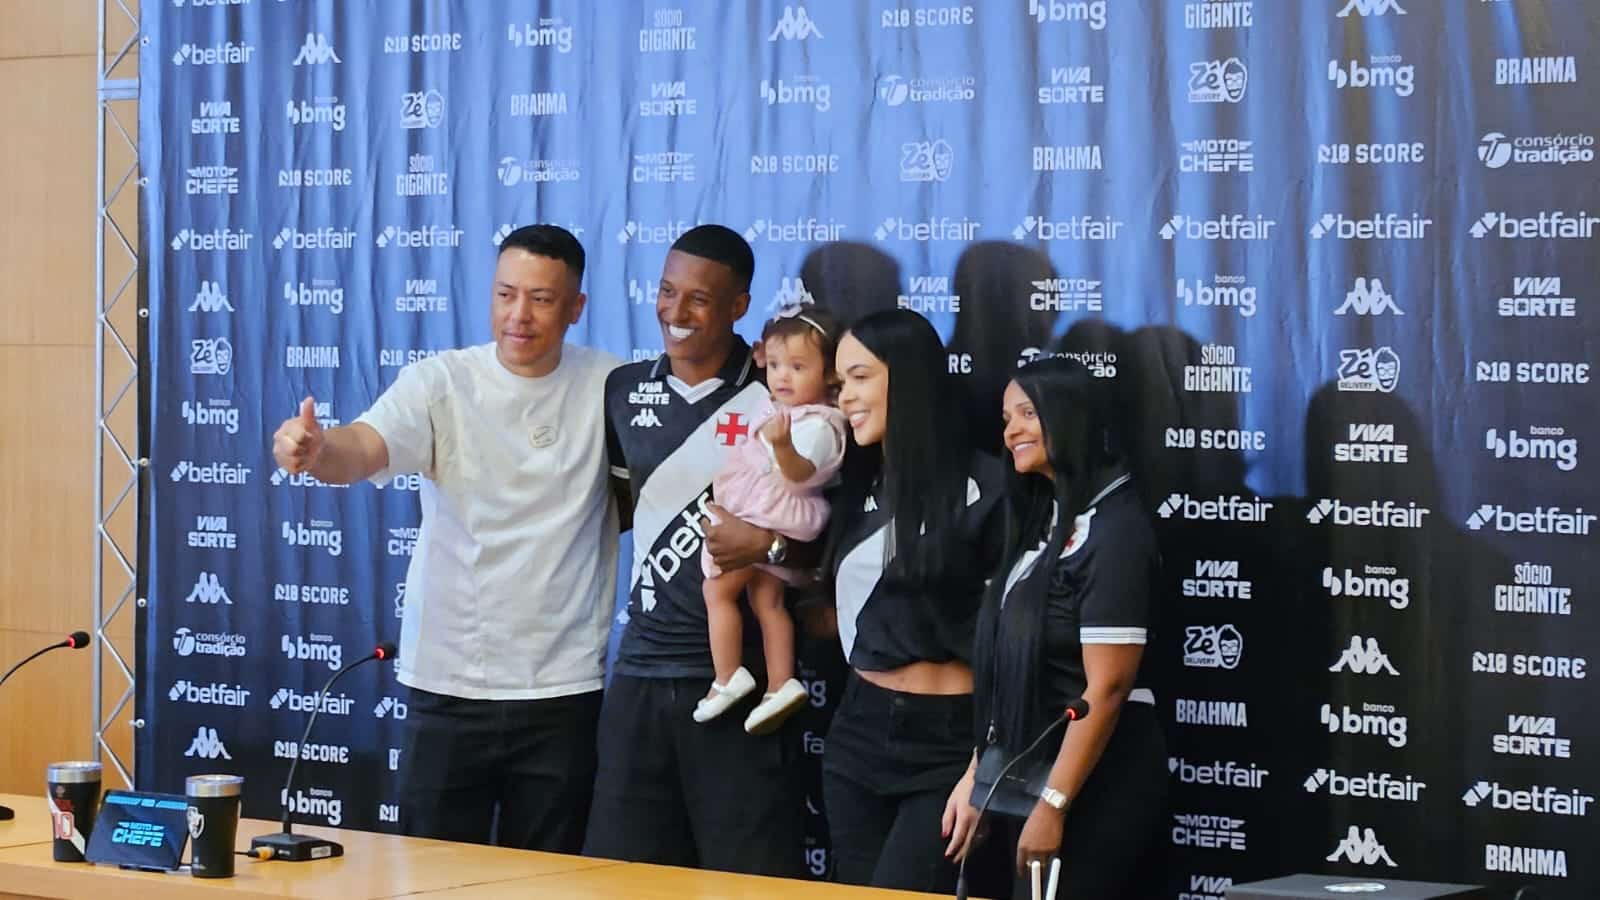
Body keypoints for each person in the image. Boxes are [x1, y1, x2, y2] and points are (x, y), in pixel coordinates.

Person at [269, 225, 618, 851]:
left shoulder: (612, 385)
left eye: (541, 298)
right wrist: (316, 450)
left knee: (545, 885)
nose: (519, 315)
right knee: (430, 872)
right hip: (449, 683)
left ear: (575, 308)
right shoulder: (441, 382)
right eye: (506, 293)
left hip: (562, 689)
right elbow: (362, 449)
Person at [584, 225, 806, 876]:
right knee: (619, 880)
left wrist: (767, 544)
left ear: (740, 306)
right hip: (639, 678)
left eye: (699, 300)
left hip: (741, 690)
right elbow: (617, 512)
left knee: (750, 881)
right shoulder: (623, 390)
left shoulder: (781, 396)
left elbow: (828, 552)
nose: (675, 314)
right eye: (666, 292)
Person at [943, 356, 1168, 900]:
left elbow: (1107, 689)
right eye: (1005, 417)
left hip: (1099, 780)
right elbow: (1010, 670)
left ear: (1071, 417)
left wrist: (1054, 804)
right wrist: (980, 776)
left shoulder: (1117, 530)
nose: (1011, 430)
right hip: (1028, 773)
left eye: (1027, 413)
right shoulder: (1043, 520)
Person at [822, 309, 1007, 892]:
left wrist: (983, 771)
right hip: (857, 731)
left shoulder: (991, 486)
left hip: (950, 745)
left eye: (858, 378)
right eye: (838, 383)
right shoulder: (854, 482)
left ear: (906, 378)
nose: (844, 397)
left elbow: (1018, 645)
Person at [695, 306, 847, 733]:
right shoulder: (773, 406)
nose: (783, 376)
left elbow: (799, 473)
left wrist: (781, 447)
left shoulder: (819, 424)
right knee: (768, 601)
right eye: (777, 364)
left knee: (718, 591)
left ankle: (727, 676)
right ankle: (781, 683)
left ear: (829, 374)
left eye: (798, 367)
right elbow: (738, 439)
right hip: (763, 510)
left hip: (775, 514)